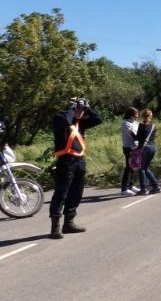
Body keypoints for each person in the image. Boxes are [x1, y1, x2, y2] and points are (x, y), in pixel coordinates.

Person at [49, 97, 103, 239]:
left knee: (76, 193)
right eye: (78, 109)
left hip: (79, 161)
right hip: (66, 162)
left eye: (81, 110)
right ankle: (55, 227)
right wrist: (72, 108)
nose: (80, 112)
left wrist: (87, 107)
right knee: (61, 194)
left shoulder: (81, 123)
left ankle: (69, 223)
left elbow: (98, 119)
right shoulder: (60, 118)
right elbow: (66, 120)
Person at [135, 109, 161, 195]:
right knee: (146, 168)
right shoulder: (153, 126)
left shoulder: (141, 125)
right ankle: (156, 187)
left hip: (144, 148)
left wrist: (131, 133)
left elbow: (138, 138)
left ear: (143, 116)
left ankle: (143, 189)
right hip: (152, 147)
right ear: (151, 116)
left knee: (141, 169)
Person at [119, 107, 140, 196]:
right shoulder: (126, 123)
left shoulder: (136, 123)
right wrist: (140, 137)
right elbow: (133, 135)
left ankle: (130, 186)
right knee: (128, 167)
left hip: (135, 147)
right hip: (128, 148)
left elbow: (139, 134)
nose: (138, 115)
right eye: (136, 114)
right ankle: (124, 189)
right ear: (132, 115)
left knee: (133, 167)